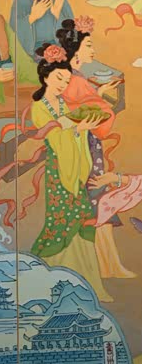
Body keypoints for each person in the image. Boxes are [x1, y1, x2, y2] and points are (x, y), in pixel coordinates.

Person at [29, 44, 112, 302]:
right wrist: (77, 130)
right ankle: (45, 279)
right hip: (59, 170)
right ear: (45, 77)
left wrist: (80, 128)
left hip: (74, 168)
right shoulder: (39, 107)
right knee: (60, 220)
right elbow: (56, 139)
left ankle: (88, 283)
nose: (63, 85)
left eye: (66, 80)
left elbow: (72, 125)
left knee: (83, 215)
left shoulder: (63, 104)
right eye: (58, 78)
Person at [56, 17, 135, 280]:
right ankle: (107, 265)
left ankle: (108, 264)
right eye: (89, 45)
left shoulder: (73, 77)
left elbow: (82, 106)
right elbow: (95, 122)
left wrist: (97, 96)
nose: (93, 51)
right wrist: (101, 104)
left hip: (84, 146)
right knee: (98, 202)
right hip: (85, 147)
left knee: (99, 202)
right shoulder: (75, 80)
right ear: (76, 52)